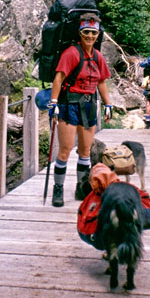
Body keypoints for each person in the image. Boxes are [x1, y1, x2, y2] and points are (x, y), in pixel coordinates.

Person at [46, 13, 112, 207]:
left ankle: (81, 187)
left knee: (85, 151)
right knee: (65, 149)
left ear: (98, 34)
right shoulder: (71, 53)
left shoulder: (98, 57)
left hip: (89, 106)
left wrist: (108, 105)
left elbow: (101, 82)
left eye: (93, 32)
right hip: (70, 105)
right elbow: (58, 78)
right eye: (86, 32)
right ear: (80, 33)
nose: (90, 36)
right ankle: (58, 190)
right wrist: (54, 103)